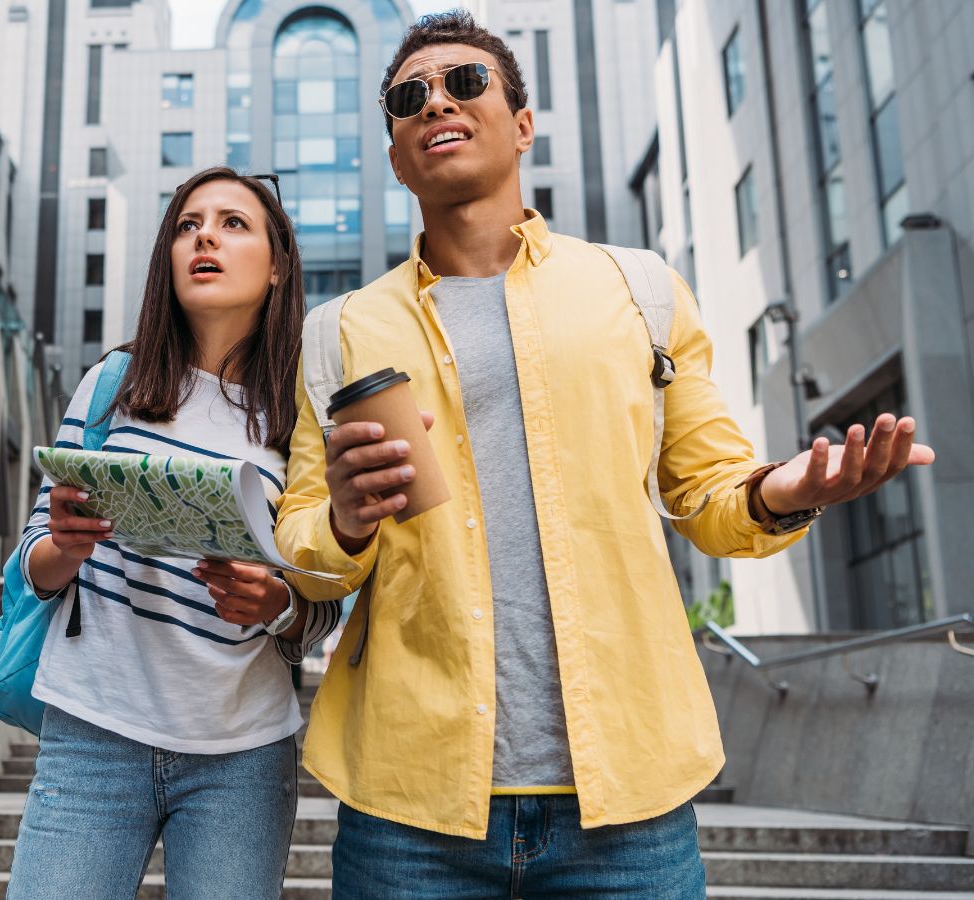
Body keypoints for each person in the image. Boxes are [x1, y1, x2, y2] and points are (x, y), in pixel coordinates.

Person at [274, 12, 935, 898]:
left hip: (628, 810)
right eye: (408, 97)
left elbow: (711, 494)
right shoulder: (337, 332)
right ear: (397, 156)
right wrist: (346, 524)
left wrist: (786, 490)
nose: (436, 101)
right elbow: (303, 555)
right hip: (409, 813)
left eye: (465, 83)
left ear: (522, 123)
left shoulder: (641, 289)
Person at [8, 166, 342, 900]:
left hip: (242, 756)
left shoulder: (301, 417)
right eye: (188, 226)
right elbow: (33, 565)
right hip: (92, 734)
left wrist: (275, 606)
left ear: (278, 264)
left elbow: (326, 603)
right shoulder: (111, 385)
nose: (205, 239)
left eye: (232, 224)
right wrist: (64, 543)